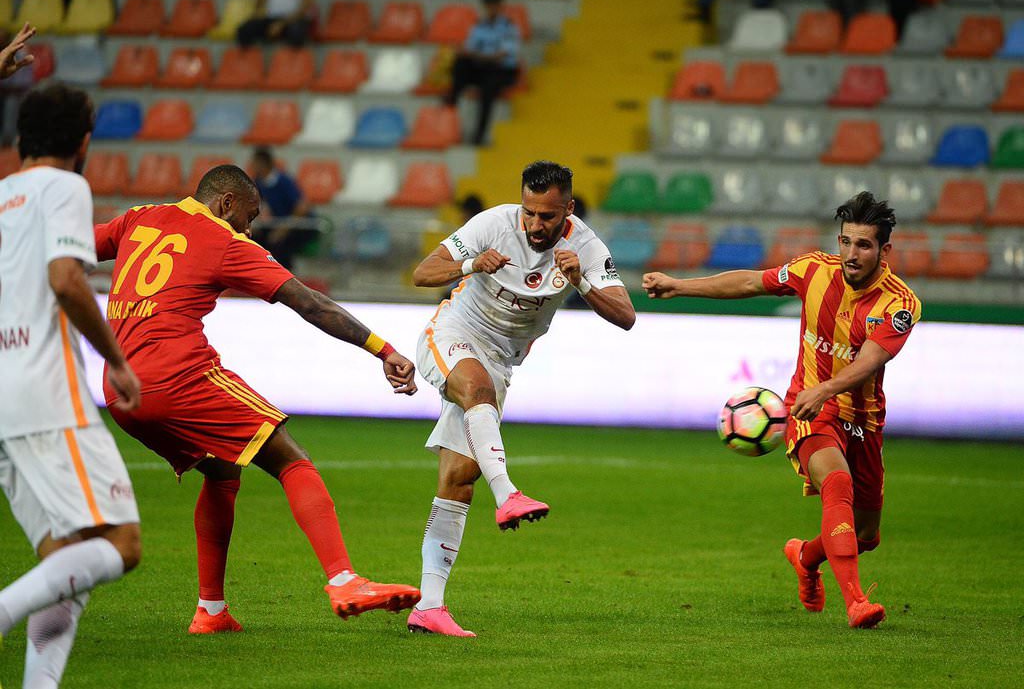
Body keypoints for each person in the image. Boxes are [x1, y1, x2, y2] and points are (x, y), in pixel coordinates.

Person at [93, 164, 421, 634]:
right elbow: (310, 303)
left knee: (222, 470)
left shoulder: (138, 217)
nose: (249, 229)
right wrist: (383, 350)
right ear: (226, 202)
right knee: (289, 457)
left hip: (118, 388)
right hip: (176, 378)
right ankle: (344, 580)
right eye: (248, 217)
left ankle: (211, 611)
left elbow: (70, 249)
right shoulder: (225, 241)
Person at [642, 191, 922, 629]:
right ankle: (856, 602)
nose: (851, 254)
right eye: (846, 241)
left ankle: (806, 557)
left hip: (863, 421)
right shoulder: (813, 270)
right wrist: (680, 286)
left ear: (884, 251)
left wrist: (827, 387)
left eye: (863, 245)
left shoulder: (900, 303)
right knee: (837, 484)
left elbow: (871, 360)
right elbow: (751, 283)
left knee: (866, 535)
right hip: (809, 409)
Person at [407, 160, 636, 636]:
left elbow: (626, 316)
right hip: (453, 332)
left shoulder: (587, 247)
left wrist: (582, 282)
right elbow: (423, 272)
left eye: (546, 216)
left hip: (501, 361)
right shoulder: (493, 224)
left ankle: (429, 607)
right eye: (529, 213)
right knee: (476, 389)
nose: (534, 224)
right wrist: (471, 264)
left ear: (568, 209)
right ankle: (508, 493)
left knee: (458, 479)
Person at [0, 82, 143, 687]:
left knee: (65, 560)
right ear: (84, 142)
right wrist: (116, 359)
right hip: (45, 394)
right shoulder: (64, 187)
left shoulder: (3, 195)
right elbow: (66, 278)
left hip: (4, 397)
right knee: (122, 543)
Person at [445, 0, 521, 145]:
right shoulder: (479, 26)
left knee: (488, 89)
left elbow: (501, 56)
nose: (491, 8)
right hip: (483, 67)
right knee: (460, 65)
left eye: (494, 4)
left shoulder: (509, 27)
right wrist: (467, 54)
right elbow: (469, 49)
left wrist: (476, 55)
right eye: (488, 4)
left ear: (500, 6)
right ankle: (449, 109)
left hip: (501, 70)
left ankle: (480, 134)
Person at [248, 147, 316, 270]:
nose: (253, 166)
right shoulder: (258, 182)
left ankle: (284, 274)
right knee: (254, 239)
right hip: (276, 224)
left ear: (264, 163)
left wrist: (283, 229)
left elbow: (301, 207)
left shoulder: (284, 181)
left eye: (255, 163)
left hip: (297, 226)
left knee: (278, 244)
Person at [236, 0, 316, 48]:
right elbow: (260, 1)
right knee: (244, 30)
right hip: (271, 19)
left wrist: (281, 24)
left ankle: (290, 63)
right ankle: (251, 63)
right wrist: (258, 13)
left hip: (294, 20)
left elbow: (305, 8)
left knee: (297, 33)